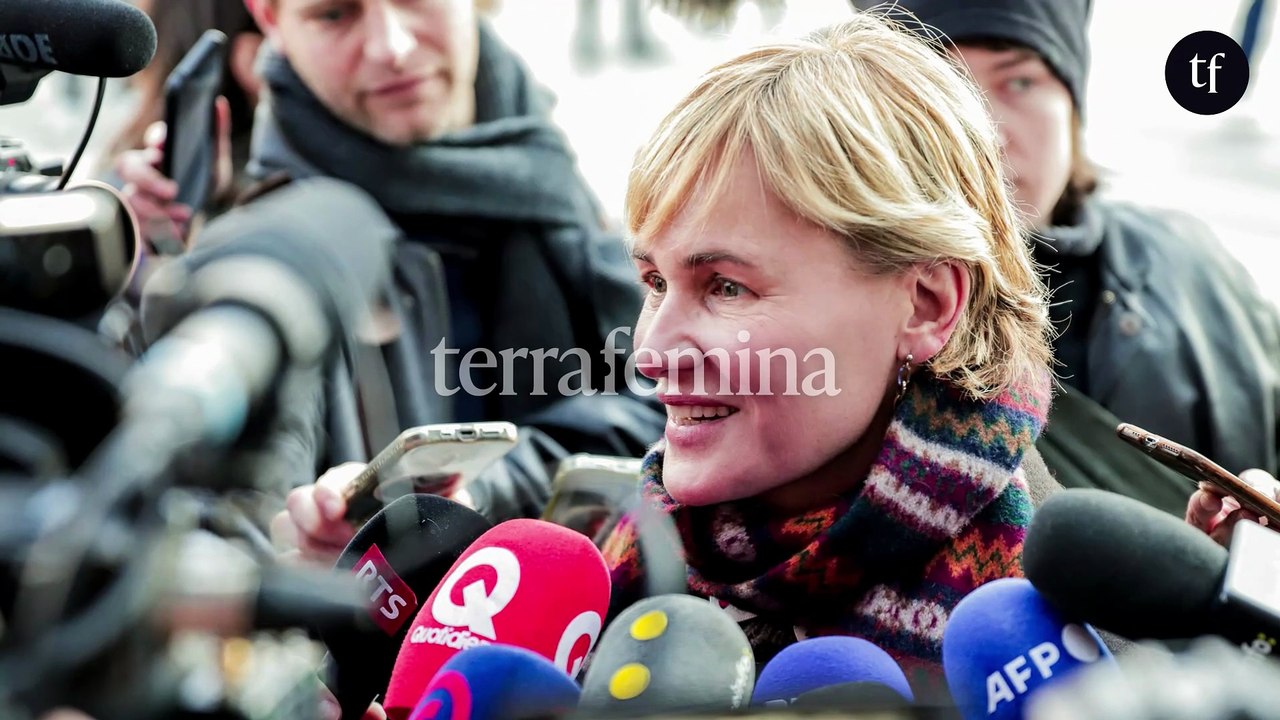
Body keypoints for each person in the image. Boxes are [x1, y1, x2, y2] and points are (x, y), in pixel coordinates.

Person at [592, 12, 1060, 701]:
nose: (654, 352)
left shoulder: (1039, 635)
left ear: (927, 303)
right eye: (655, 282)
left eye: (726, 286)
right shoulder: (632, 551)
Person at [115, 0, 666, 535]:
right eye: (334, 14)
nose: (392, 47)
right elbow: (238, 511)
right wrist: (145, 274)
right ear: (268, 20)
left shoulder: (544, 172)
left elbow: (665, 396)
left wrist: (487, 489)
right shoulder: (262, 246)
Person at [855, 0, 1280, 517]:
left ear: (1073, 106)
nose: (985, 130)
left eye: (1020, 82)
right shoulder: (838, 314)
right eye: (940, 92)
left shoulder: (1201, 273)